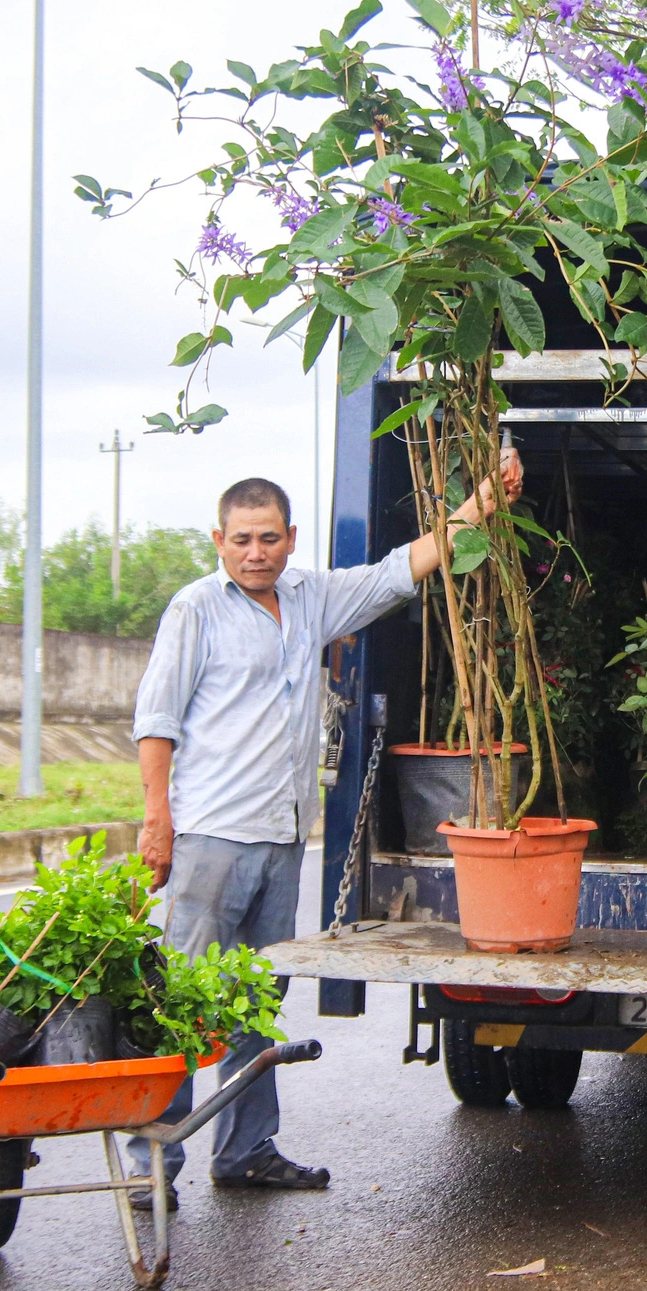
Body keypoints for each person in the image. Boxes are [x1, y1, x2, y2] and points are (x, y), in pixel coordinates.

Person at [124, 457, 522, 1206]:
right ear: (218, 539)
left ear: (290, 537)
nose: (255, 552)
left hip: (280, 838)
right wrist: (157, 822)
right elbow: (156, 724)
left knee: (253, 1000)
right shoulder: (194, 610)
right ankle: (152, 1160)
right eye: (240, 538)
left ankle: (244, 1149)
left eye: (268, 537)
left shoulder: (309, 598)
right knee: (179, 999)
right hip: (211, 837)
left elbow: (396, 571)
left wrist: (478, 506)